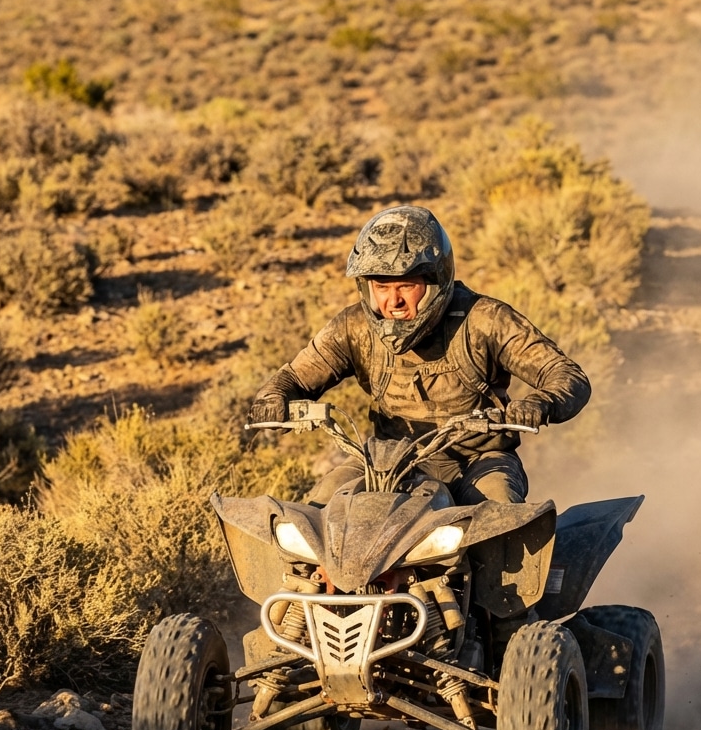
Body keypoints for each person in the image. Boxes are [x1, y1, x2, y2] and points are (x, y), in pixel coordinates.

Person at [247, 205, 590, 506]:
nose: (392, 302)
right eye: (381, 287)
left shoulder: (485, 320)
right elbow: (293, 377)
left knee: (500, 519)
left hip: (478, 460)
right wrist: (273, 397)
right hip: (386, 462)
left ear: (436, 281)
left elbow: (565, 374)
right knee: (319, 512)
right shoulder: (354, 327)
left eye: (406, 286)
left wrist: (540, 404)